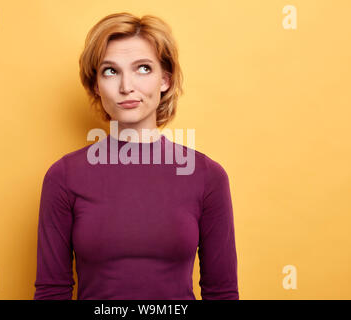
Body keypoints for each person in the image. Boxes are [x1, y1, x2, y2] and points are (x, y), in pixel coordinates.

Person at [33, 12, 239, 300]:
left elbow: (222, 293)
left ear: (165, 80)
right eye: (110, 71)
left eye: (142, 68)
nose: (126, 86)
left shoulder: (208, 177)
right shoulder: (64, 176)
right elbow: (52, 290)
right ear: (95, 85)